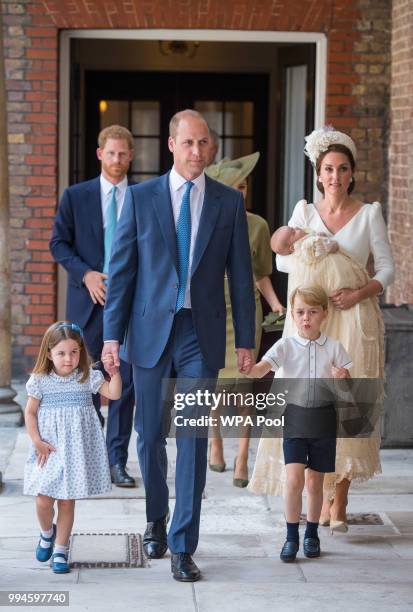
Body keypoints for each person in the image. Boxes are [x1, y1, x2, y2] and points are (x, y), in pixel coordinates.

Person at [102, 109, 255, 582]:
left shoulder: (228, 203)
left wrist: (247, 340)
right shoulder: (143, 197)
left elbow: (242, 278)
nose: (197, 152)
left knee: (190, 438)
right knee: (149, 436)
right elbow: (122, 270)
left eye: (204, 143)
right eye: (188, 143)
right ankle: (155, 520)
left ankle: (184, 545)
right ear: (171, 145)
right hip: (148, 334)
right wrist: (111, 336)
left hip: (199, 335)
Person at [249, 126, 395, 532]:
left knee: (346, 404)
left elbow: (387, 269)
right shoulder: (304, 213)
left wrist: (360, 291)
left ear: (351, 173)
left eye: (342, 169)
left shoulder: (369, 214)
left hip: (352, 318)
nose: (334, 176)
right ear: (319, 173)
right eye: (328, 169)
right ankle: (316, 492)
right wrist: (298, 243)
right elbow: (280, 261)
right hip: (310, 320)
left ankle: (340, 500)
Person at [50, 125, 136, 488]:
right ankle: (90, 452)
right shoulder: (76, 196)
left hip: (130, 305)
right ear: (100, 154)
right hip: (87, 304)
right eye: (111, 153)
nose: (117, 160)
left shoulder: (143, 197)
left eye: (123, 153)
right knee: (84, 379)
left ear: (131, 156)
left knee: (122, 382)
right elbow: (58, 243)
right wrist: (86, 274)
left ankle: (117, 460)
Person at [247, 286, 352, 561]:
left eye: (313, 312)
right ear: (293, 315)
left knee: (315, 483)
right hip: (294, 417)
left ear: (324, 314)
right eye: (300, 312)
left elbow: (347, 382)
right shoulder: (285, 346)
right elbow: (263, 367)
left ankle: (312, 534)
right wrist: (250, 369)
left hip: (324, 419)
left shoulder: (334, 347)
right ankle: (291, 536)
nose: (306, 318)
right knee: (293, 479)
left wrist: (343, 377)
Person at [205, 153, 285, 486]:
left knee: (245, 387)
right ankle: (215, 441)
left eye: (244, 186)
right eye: (232, 187)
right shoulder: (204, 222)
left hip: (244, 312)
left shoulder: (259, 226)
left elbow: (262, 274)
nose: (240, 192)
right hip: (211, 311)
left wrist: (277, 306)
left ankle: (242, 457)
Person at [24, 322, 121, 574]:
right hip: (49, 449)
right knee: (44, 499)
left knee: (67, 502)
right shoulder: (40, 381)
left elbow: (113, 394)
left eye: (74, 352)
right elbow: (31, 412)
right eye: (61, 353)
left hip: (76, 451)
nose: (69, 359)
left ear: (81, 352)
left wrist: (115, 373)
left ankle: (60, 549)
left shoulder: (87, 376)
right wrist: (36, 441)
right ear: (49, 353)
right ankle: (47, 533)